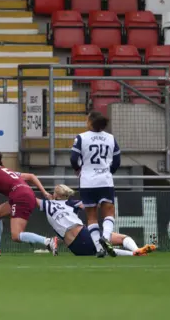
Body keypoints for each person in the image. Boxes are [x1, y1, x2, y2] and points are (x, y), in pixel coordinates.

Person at [37, 185, 156, 256]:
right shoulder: (71, 203)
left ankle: (134, 254)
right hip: (83, 235)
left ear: (56, 195)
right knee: (123, 238)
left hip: (76, 249)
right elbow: (89, 205)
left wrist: (43, 193)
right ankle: (136, 250)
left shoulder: (46, 204)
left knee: (103, 249)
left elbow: (31, 198)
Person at [0, 151, 59, 255]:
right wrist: (44, 192)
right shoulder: (6, 170)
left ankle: (48, 241)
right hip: (27, 194)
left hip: (20, 197)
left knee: (16, 235)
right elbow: (31, 176)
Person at [70, 111, 121, 258]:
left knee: (91, 216)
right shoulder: (111, 139)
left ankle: (99, 248)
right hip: (105, 180)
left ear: (90, 122)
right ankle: (105, 237)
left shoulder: (81, 137)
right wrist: (108, 172)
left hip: (87, 181)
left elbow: (74, 158)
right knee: (109, 213)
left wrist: (78, 169)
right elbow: (117, 162)